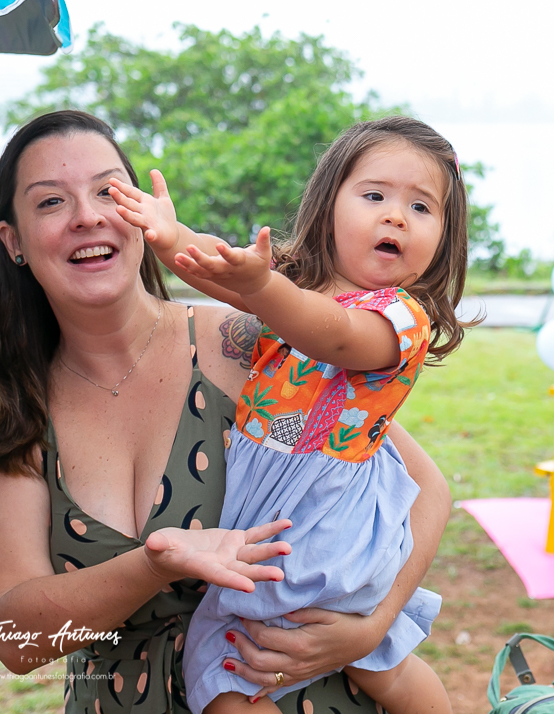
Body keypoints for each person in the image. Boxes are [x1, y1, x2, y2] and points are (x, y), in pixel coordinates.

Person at [0, 110, 452, 714]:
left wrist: (372, 630)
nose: (88, 215)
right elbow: (15, 641)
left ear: (143, 215)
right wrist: (153, 564)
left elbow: (422, 486)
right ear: (13, 240)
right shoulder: (8, 411)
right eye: (51, 202)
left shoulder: (245, 342)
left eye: (109, 191)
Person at [109, 116, 465, 714]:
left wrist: (262, 286)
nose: (396, 216)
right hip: (305, 517)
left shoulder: (401, 317)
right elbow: (234, 279)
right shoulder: (298, 288)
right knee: (386, 665)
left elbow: (333, 335)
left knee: (228, 662)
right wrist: (171, 240)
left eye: (422, 207)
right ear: (329, 204)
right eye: (374, 196)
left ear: (443, 240)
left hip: (318, 523)